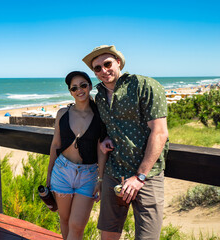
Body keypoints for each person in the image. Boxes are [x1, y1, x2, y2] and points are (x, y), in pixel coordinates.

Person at [82, 45, 169, 240]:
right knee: (108, 235)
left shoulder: (145, 86)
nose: (103, 71)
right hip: (114, 173)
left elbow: (160, 132)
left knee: (147, 237)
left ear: (118, 62)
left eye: (107, 64)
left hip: (147, 176)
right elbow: (106, 132)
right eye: (97, 68)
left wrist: (140, 177)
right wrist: (104, 143)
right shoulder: (100, 97)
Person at [46, 71, 107, 240]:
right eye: (74, 88)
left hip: (88, 175)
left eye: (83, 85)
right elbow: (55, 145)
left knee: (77, 226)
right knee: (64, 220)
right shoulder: (62, 114)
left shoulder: (99, 116)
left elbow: (101, 151)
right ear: (70, 92)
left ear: (90, 86)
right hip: (62, 171)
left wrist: (100, 180)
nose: (79, 90)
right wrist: (49, 174)